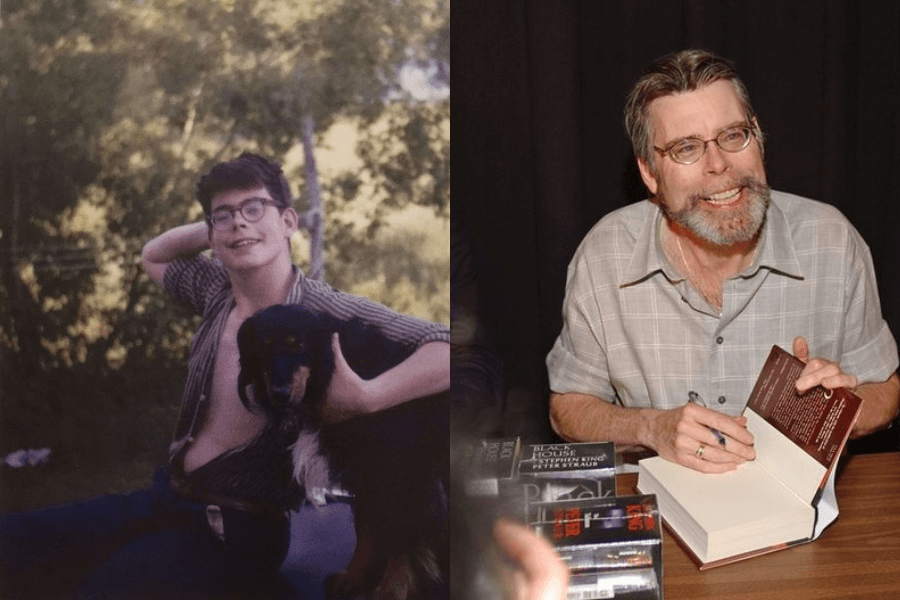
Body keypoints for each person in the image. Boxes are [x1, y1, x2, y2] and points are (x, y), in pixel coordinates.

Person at [0, 153, 450, 599]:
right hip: (167, 497)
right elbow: (153, 255)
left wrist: (366, 397)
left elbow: (451, 348)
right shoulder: (214, 291)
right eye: (225, 215)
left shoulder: (327, 312)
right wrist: (226, 225)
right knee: (13, 543)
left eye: (255, 208)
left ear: (289, 221)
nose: (239, 223)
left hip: (235, 526)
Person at [546, 49, 899, 474]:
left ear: (759, 137)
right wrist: (651, 427)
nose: (719, 166)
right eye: (686, 149)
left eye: (733, 136)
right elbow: (566, 408)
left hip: (799, 512)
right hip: (662, 515)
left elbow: (886, 391)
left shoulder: (831, 241)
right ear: (650, 173)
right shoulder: (605, 255)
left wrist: (837, 412)